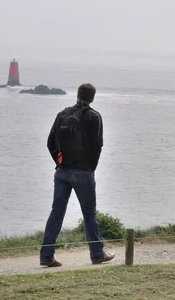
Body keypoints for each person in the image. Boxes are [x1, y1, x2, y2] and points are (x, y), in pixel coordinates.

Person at [39, 83, 114, 267]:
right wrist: (90, 168)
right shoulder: (94, 116)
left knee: (56, 213)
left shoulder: (62, 114)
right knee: (89, 214)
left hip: (61, 172)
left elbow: (50, 143)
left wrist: (59, 163)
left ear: (78, 95)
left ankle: (46, 257)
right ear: (92, 97)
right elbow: (98, 146)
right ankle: (97, 254)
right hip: (83, 172)